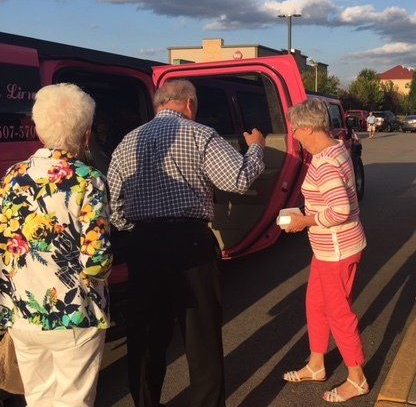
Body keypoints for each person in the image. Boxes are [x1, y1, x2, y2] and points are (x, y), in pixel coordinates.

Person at [107, 79, 265, 407]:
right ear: (189, 105)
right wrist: (257, 147)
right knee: (201, 338)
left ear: (158, 105)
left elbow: (113, 204)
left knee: (147, 337)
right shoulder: (200, 135)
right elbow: (238, 179)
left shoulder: (128, 141)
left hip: (144, 245)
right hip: (191, 243)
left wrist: (135, 231)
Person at [0, 83, 112, 407]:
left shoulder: (11, 176)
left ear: (38, 129)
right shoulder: (88, 180)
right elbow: (97, 260)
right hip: (74, 315)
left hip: (21, 313)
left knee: (38, 399)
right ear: (86, 133)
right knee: (73, 401)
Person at [281, 99, 368, 403]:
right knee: (315, 304)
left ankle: (357, 378)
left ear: (307, 128)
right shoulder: (335, 148)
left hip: (337, 249)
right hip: (329, 248)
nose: (294, 135)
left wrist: (304, 220)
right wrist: (308, 213)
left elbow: (340, 209)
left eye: (295, 130)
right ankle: (316, 365)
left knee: (338, 313)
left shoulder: (324, 162)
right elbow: (335, 200)